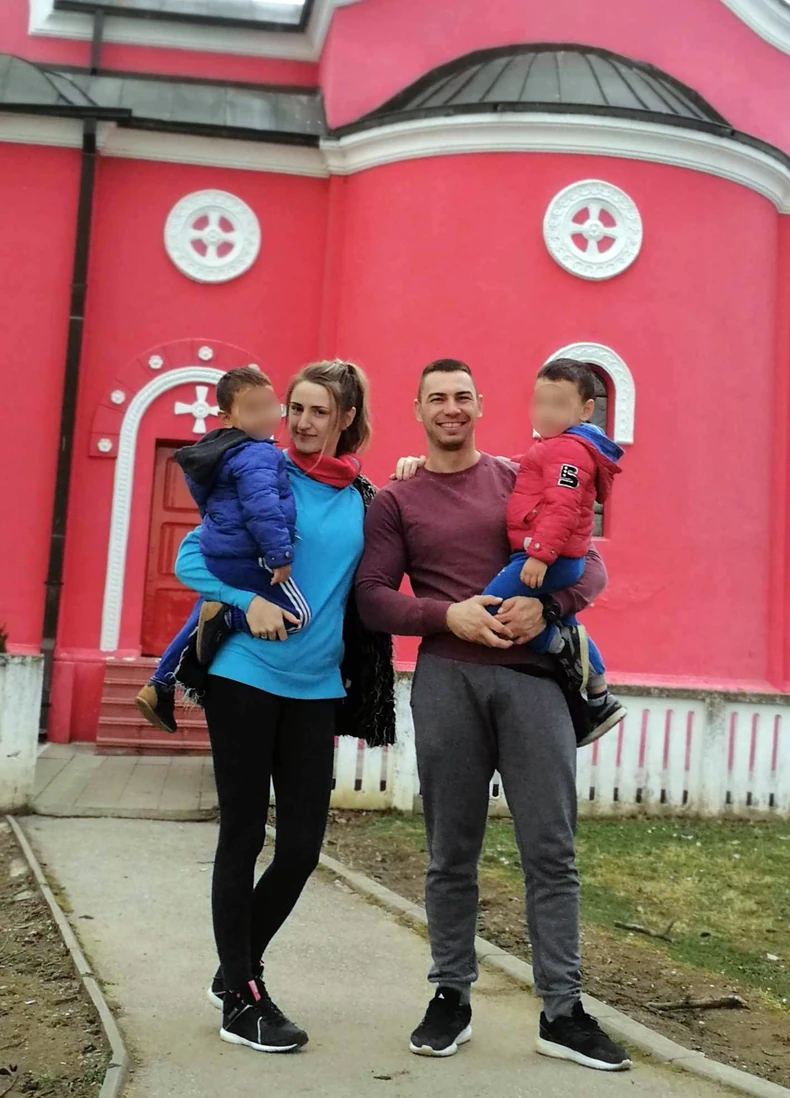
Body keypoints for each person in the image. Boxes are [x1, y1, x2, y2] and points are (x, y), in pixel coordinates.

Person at [355, 358, 631, 1071]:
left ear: (480, 405)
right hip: (448, 681)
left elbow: (590, 564)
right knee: (451, 853)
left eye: (461, 397)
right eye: (436, 398)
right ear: (418, 410)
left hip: (534, 683)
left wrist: (550, 606)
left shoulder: (519, 475)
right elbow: (373, 597)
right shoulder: (397, 499)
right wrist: (446, 614)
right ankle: (450, 996)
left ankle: (563, 1011)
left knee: (552, 851)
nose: (450, 408)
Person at [173, 360, 395, 1055]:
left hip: (317, 687)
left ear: (346, 419)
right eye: (294, 407)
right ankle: (243, 996)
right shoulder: (259, 472)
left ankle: (234, 966)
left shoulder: (363, 497)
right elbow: (191, 557)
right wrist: (249, 601)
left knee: (300, 848)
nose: (300, 422)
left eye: (318, 411)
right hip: (245, 673)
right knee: (242, 835)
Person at [135, 365, 316, 735]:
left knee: (205, 609)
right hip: (252, 555)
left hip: (222, 551)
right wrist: (279, 555)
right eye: (253, 409)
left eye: (270, 406)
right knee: (298, 616)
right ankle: (229, 618)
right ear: (228, 417)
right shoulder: (259, 454)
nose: (266, 415)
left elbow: (213, 503)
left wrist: (219, 529)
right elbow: (263, 507)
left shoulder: (214, 453)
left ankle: (161, 682)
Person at [481, 357, 626, 745]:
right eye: (540, 401)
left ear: (586, 410)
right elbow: (533, 471)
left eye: (558, 404)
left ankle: (557, 645)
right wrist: (494, 463)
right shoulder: (557, 447)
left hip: (551, 559)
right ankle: (599, 694)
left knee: (488, 608)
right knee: (570, 624)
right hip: (553, 557)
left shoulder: (569, 452)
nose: (545, 412)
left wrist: (540, 555)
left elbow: (562, 506)